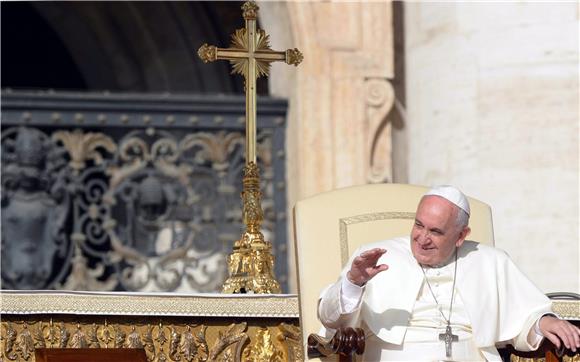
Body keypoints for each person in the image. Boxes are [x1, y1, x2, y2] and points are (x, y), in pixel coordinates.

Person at [318, 185, 580, 361]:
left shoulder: (490, 260)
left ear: (461, 236)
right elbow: (330, 320)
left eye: (435, 231)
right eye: (419, 225)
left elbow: (524, 316)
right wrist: (354, 282)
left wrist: (544, 321)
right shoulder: (373, 257)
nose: (422, 238)